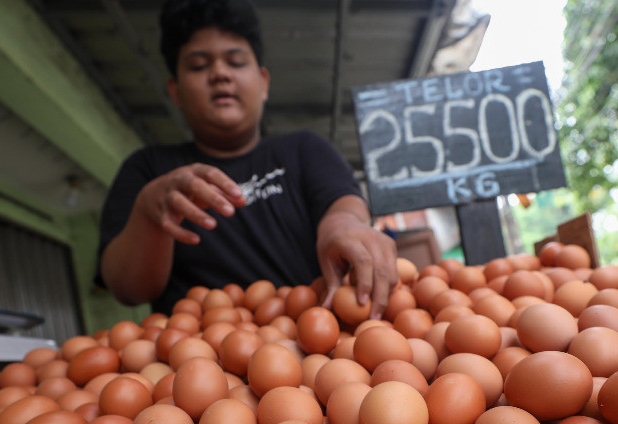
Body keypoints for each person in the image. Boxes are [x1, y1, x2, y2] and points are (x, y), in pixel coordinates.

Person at [97, 0, 397, 318]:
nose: (220, 74)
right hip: (196, 358)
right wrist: (149, 213)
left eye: (236, 62)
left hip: (316, 344)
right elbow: (128, 290)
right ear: (175, 92)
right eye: (199, 66)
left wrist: (342, 225)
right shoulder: (148, 171)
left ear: (264, 82)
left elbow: (342, 203)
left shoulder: (304, 150)